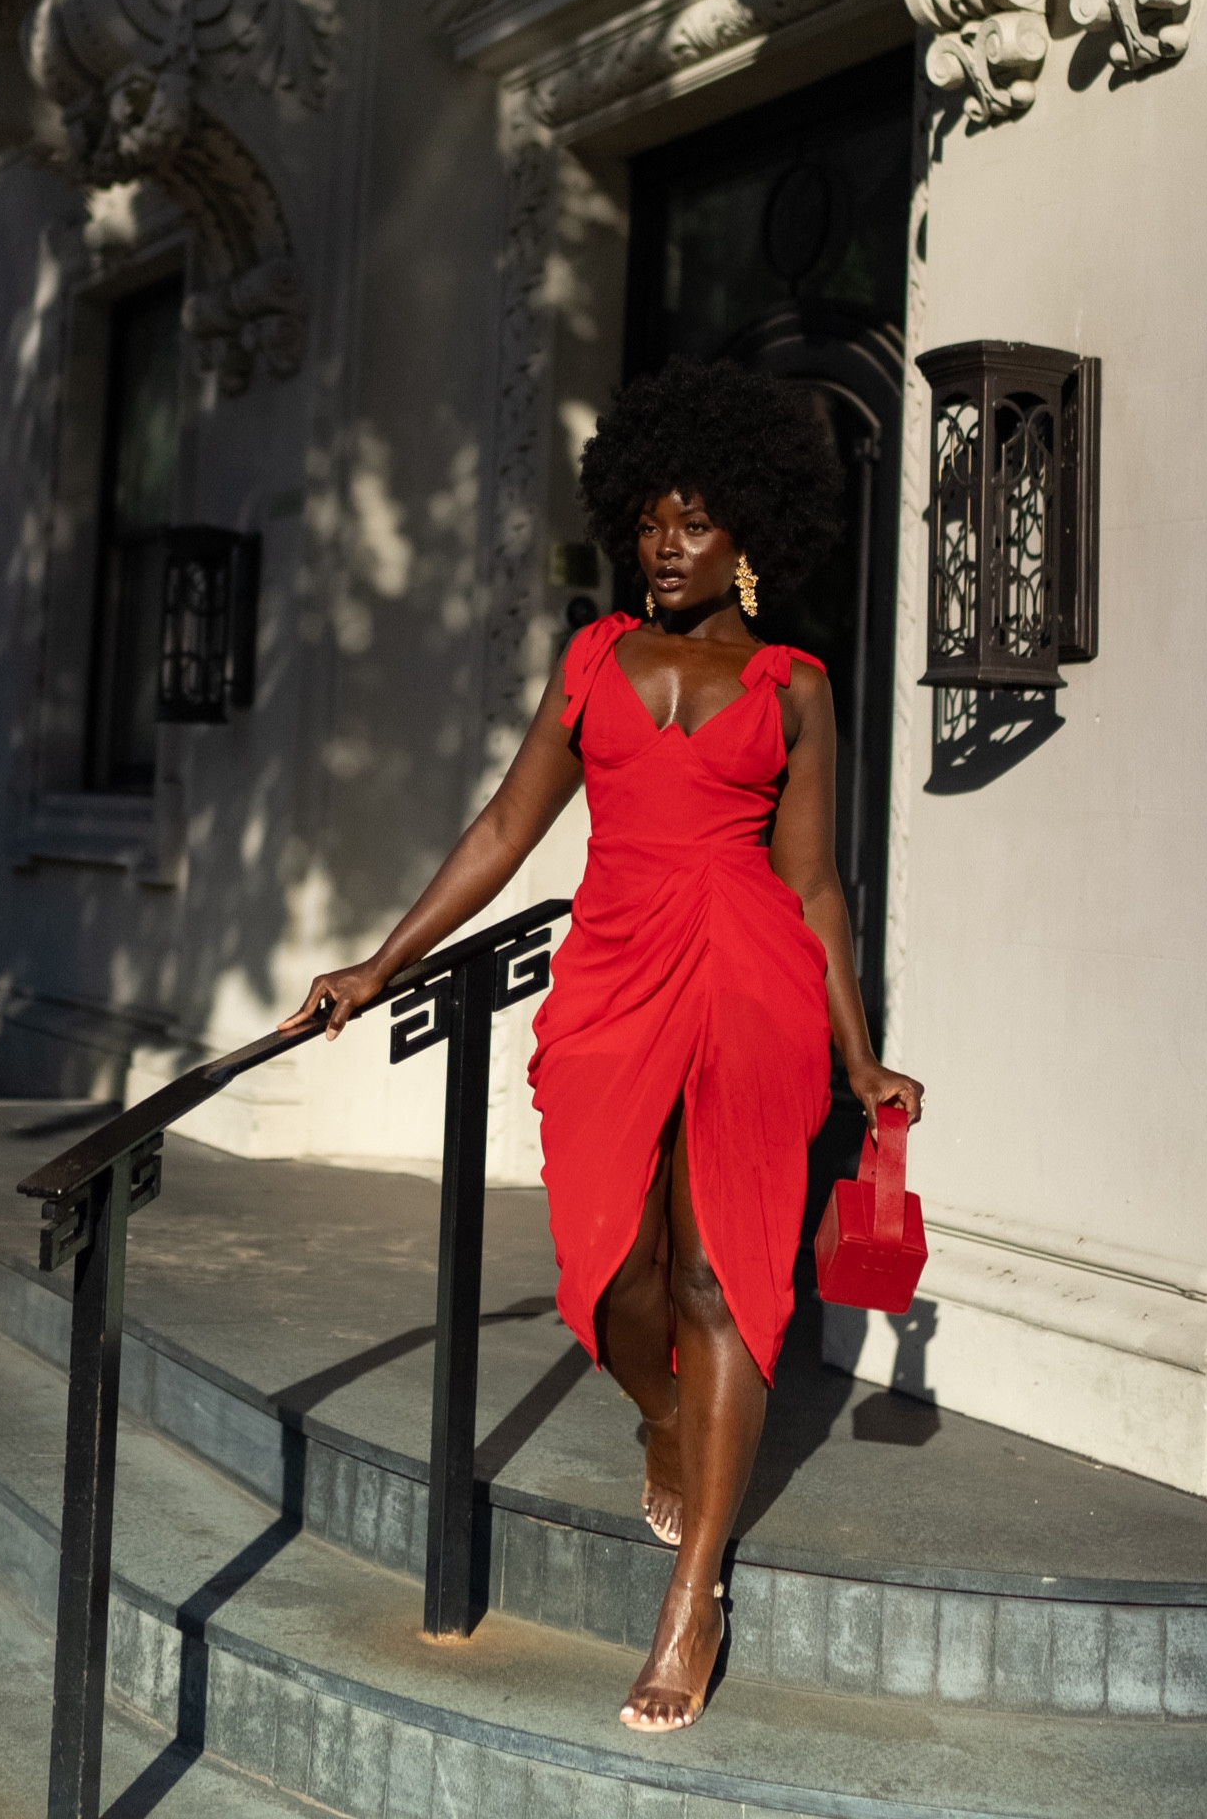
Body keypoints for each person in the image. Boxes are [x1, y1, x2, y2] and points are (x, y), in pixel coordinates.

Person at [282, 356, 924, 1732]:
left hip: (750, 977)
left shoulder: (796, 685)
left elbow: (814, 887)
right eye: (651, 519)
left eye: (697, 521)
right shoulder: (592, 663)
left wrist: (858, 1054)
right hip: (616, 976)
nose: (668, 544)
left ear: (753, 532)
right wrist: (382, 961)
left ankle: (691, 1604)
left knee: (721, 1273)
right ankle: (658, 1417)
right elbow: (508, 830)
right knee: (615, 1277)